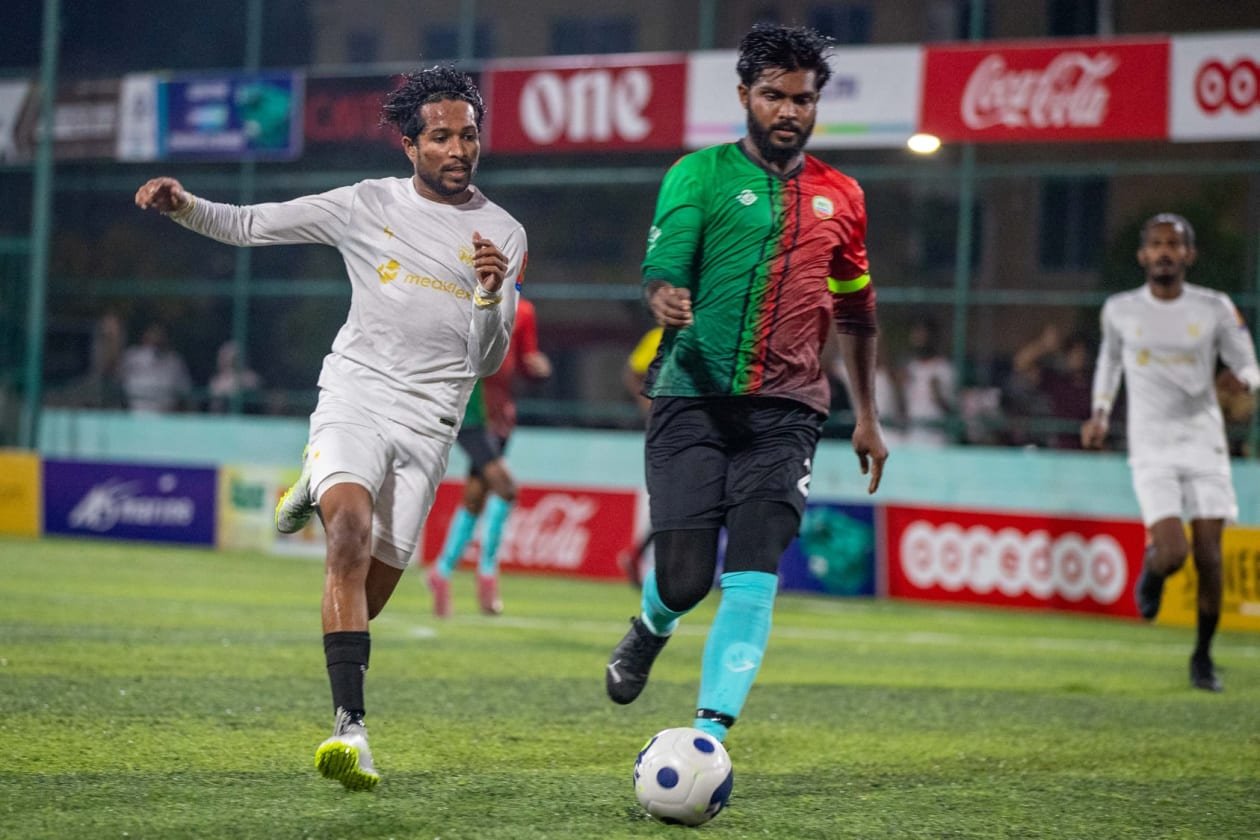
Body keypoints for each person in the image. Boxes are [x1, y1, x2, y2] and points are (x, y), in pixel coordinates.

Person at [134, 67, 525, 789]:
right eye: (441, 137)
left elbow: (487, 360)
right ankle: (352, 730)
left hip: (432, 423)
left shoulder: (503, 233)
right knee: (346, 534)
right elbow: (249, 224)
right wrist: (184, 205)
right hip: (357, 395)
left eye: (468, 135)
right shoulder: (364, 204)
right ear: (410, 145)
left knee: (365, 600)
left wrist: (489, 296)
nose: (458, 149)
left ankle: (314, 476)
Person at [603, 24, 888, 745]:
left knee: (756, 571)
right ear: (744, 96)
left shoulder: (843, 196)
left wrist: (867, 416)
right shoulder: (696, 174)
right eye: (773, 96)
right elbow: (662, 271)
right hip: (691, 397)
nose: (788, 111)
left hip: (789, 411)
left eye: (802, 99)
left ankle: (709, 739)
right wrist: (664, 296)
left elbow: (857, 312)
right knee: (686, 579)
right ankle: (651, 624)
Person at [1081, 213, 1259, 693]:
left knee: (1210, 557)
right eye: (1157, 244)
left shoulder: (1215, 307)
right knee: (1175, 552)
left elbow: (1250, 364)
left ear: (1188, 255)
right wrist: (1100, 414)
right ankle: (1155, 569)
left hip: (1205, 442)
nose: (1165, 251)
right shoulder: (1120, 309)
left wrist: (1244, 382)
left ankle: (1202, 657)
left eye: (1174, 244)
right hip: (1151, 446)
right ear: (1143, 255)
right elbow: (1109, 363)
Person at [426, 296, 551, 617]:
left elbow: (525, 360)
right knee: (506, 489)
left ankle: (441, 572)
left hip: (500, 413)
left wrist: (537, 369)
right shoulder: (464, 300)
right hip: (470, 409)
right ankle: (487, 573)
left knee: (475, 496)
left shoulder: (525, 311)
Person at [900, 316, 954, 446]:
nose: (918, 338)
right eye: (916, 334)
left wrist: (938, 396)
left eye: (922, 334)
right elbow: (902, 408)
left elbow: (953, 411)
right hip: (912, 437)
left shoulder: (944, 368)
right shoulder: (910, 367)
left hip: (937, 439)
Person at [118, 321, 192, 412]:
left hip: (166, 415)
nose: (156, 337)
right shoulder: (132, 356)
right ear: (145, 335)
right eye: (153, 332)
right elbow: (117, 380)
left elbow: (186, 393)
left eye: (160, 333)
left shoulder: (175, 361)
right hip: (135, 414)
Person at [207, 340, 263, 413]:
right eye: (223, 356)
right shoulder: (216, 380)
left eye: (227, 356)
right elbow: (214, 406)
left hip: (247, 417)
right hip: (222, 418)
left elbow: (255, 386)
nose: (224, 360)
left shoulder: (250, 378)